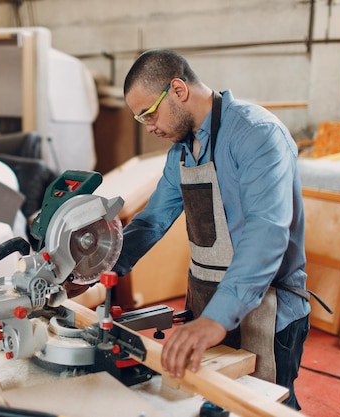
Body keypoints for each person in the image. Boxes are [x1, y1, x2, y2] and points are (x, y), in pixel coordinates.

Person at [111, 48, 312, 410]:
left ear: (178, 89)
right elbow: (153, 219)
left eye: (148, 114)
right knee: (211, 403)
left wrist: (217, 319)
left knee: (264, 406)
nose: (149, 126)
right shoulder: (182, 151)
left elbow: (267, 232)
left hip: (267, 309)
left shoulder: (257, 135)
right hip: (206, 304)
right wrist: (103, 265)